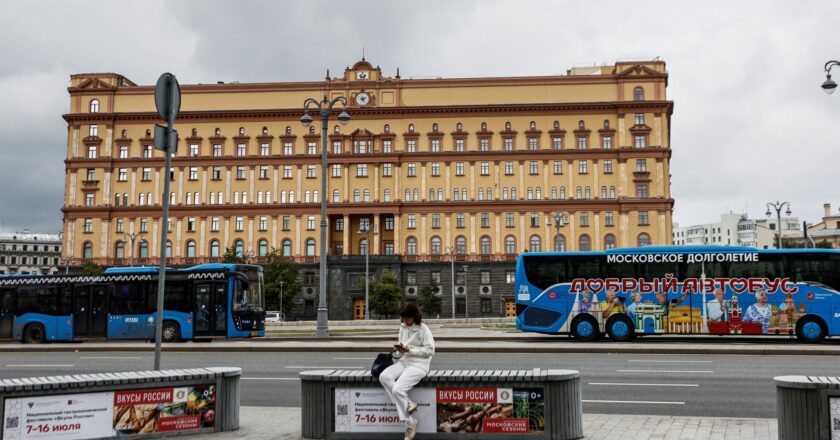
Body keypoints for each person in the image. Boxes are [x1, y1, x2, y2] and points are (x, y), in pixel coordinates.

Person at [379, 304, 435, 440]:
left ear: (415, 317)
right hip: (404, 361)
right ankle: (408, 404)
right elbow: (401, 351)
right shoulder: (402, 328)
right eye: (403, 319)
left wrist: (410, 350)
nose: (405, 322)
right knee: (384, 376)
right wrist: (399, 350)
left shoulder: (423, 329)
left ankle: (410, 423)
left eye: (408, 319)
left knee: (397, 390)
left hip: (419, 365)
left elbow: (430, 350)